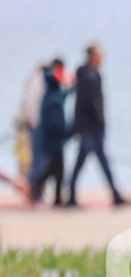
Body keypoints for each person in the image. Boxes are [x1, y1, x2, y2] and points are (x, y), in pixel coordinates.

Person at [66, 44, 129, 207]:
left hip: (91, 127)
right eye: (99, 55)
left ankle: (112, 194)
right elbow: (88, 103)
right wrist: (97, 122)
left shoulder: (90, 74)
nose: (101, 58)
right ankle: (114, 194)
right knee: (95, 162)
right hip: (91, 128)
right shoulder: (88, 76)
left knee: (89, 162)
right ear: (92, 56)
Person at [29, 59, 72, 205]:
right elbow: (55, 122)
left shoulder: (50, 93)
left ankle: (53, 195)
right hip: (54, 138)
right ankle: (38, 187)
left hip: (51, 137)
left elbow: (63, 96)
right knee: (56, 168)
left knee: (55, 167)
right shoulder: (53, 97)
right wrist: (65, 132)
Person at [12, 63, 45, 178]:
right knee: (27, 157)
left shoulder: (32, 81)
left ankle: (26, 183)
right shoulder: (38, 82)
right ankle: (27, 184)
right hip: (27, 125)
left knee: (24, 157)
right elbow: (32, 106)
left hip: (24, 124)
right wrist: (35, 124)